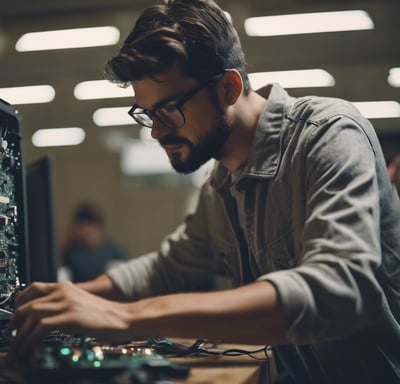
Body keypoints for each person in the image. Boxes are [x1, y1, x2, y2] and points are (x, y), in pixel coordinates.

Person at [6, 0, 400, 382]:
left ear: (229, 88)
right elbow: (171, 266)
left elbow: (340, 289)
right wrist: (71, 298)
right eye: (147, 114)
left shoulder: (327, 135)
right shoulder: (223, 180)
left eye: (169, 110)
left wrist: (128, 316)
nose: (157, 132)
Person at [61, 202, 128, 283]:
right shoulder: (72, 252)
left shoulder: (114, 251)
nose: (86, 232)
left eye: (90, 227)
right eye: (82, 227)